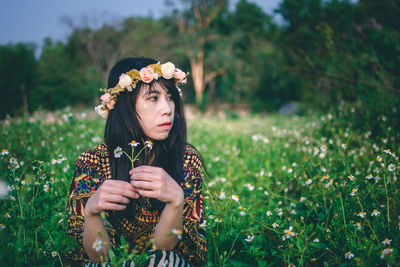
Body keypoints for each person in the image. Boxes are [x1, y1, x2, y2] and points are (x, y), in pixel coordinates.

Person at [65, 57, 207, 266]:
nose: (167, 108)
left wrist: (176, 201)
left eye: (170, 98)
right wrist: (92, 213)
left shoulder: (185, 158)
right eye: (153, 98)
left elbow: (165, 251)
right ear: (125, 107)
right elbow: (100, 259)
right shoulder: (92, 162)